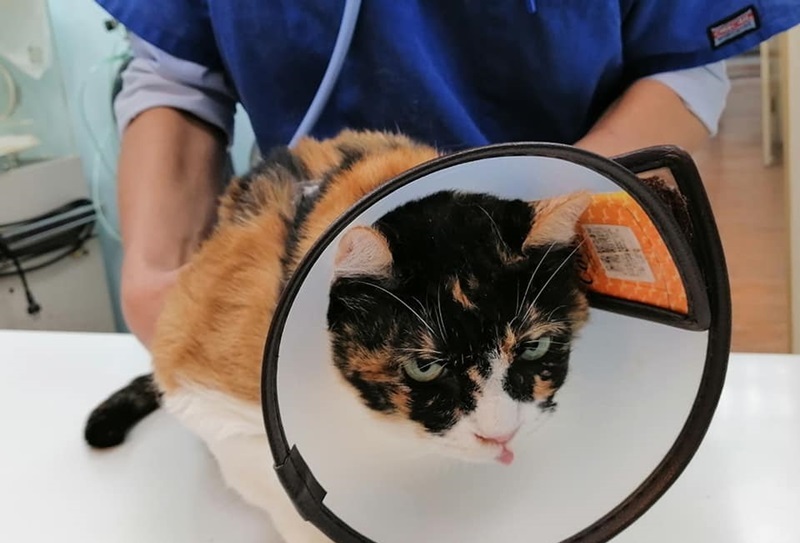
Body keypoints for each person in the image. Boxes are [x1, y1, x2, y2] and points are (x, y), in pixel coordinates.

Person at [97, 1, 800, 348]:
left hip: (551, 283)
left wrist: (538, 211)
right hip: (312, 295)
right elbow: (176, 77)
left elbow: (683, 65)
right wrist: (158, 278)